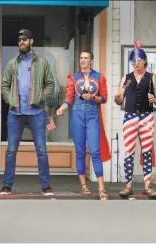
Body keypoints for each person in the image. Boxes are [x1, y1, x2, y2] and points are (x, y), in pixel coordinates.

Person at [0, 29, 55, 196]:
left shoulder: (42, 62)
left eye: (24, 39)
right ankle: (7, 185)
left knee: (41, 150)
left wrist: (40, 97)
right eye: (19, 40)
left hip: (37, 112)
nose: (21, 42)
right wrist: (10, 101)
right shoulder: (12, 63)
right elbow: (4, 85)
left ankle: (46, 185)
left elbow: (50, 84)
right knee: (11, 150)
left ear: (31, 41)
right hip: (15, 113)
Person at [56, 50, 111, 200]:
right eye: (81, 58)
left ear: (91, 60)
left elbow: (105, 98)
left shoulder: (99, 77)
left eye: (86, 58)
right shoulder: (73, 77)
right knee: (80, 152)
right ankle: (84, 186)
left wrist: (94, 97)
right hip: (77, 114)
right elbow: (69, 98)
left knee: (95, 151)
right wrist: (62, 107)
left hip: (92, 113)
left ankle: (101, 187)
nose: (83, 60)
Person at [114, 42, 156, 198]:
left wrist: (155, 99)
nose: (136, 64)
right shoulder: (127, 78)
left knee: (147, 151)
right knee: (128, 151)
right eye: (133, 62)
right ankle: (128, 185)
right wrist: (117, 98)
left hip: (146, 117)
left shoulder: (151, 78)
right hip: (129, 116)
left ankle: (147, 186)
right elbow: (119, 99)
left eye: (139, 61)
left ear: (145, 61)